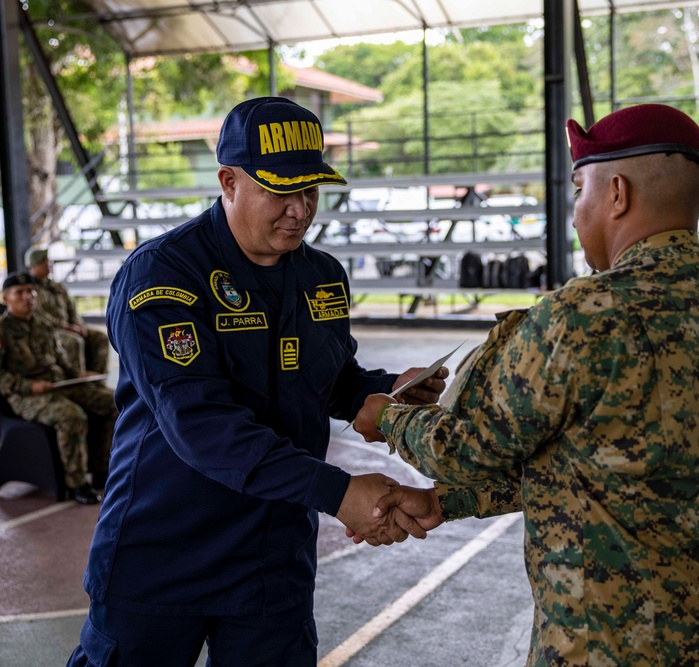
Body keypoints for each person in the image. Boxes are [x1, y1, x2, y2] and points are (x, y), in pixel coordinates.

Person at [354, 104, 699, 665]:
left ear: (618, 193)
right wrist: (444, 503)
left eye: (581, 191)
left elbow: (461, 447)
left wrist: (386, 417)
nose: (578, 215)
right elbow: (607, 470)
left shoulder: (587, 312)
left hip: (603, 647)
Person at [67, 97, 446, 667]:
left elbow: (327, 376)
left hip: (273, 557)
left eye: (311, 190)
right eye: (280, 189)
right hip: (165, 552)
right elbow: (202, 425)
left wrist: (385, 391)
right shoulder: (163, 275)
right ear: (228, 181)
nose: (299, 210)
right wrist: (339, 493)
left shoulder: (321, 276)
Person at [0, 272, 117, 504]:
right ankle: (77, 483)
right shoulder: (3, 331)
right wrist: (29, 385)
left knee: (113, 402)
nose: (27, 297)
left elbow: (59, 360)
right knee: (71, 416)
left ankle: (101, 469)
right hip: (25, 395)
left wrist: (79, 375)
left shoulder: (42, 324)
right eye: (19, 293)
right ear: (5, 298)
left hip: (59, 385)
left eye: (30, 291)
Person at [25, 246, 110, 375]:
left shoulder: (56, 287)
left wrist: (78, 324)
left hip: (69, 328)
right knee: (74, 341)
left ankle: (97, 383)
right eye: (45, 261)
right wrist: (66, 327)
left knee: (100, 338)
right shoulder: (29, 290)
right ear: (34, 265)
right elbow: (39, 316)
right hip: (48, 331)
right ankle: (79, 384)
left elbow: (71, 308)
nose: (49, 264)